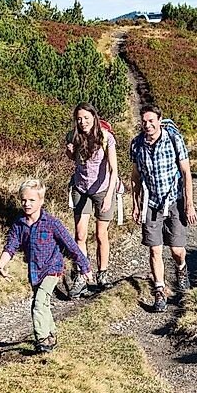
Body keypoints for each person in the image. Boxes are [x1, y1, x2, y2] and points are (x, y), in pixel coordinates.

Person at [0, 179, 90, 353]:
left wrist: (84, 267)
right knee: (43, 303)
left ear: (41, 201)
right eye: (24, 200)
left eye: (32, 200)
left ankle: (42, 340)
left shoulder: (51, 223)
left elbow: (71, 245)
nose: (27, 204)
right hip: (34, 271)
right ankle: (51, 333)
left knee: (38, 303)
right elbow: (11, 245)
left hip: (52, 269)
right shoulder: (19, 224)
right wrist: (1, 264)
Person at [129, 104, 196, 313]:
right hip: (151, 202)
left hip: (174, 200)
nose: (147, 125)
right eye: (144, 121)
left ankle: (181, 269)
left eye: (151, 121)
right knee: (155, 249)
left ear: (159, 120)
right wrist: (136, 204)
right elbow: (135, 177)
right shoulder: (137, 145)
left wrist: (189, 203)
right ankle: (159, 290)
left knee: (177, 250)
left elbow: (186, 172)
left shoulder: (174, 140)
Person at [66, 102, 118, 289]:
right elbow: (74, 159)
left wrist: (109, 194)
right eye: (79, 119)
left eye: (86, 118)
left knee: (100, 234)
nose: (82, 122)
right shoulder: (73, 135)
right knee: (80, 234)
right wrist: (70, 152)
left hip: (103, 189)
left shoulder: (106, 137)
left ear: (94, 118)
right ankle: (83, 273)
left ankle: (102, 273)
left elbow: (114, 170)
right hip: (81, 188)